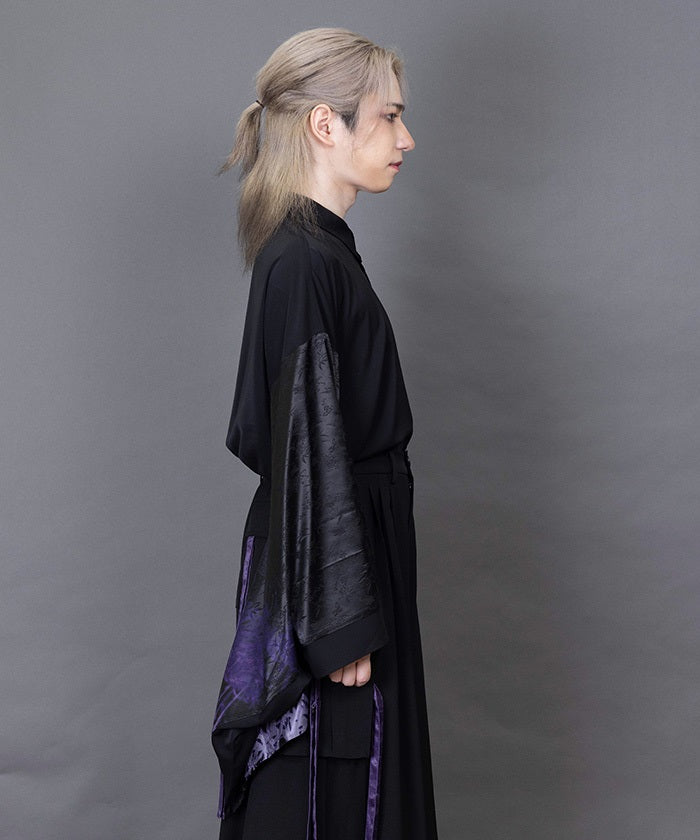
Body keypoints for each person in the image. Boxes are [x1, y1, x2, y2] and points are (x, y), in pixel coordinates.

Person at [211, 27, 438, 840]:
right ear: (324, 124)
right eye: (389, 116)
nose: (406, 139)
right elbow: (301, 438)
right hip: (332, 571)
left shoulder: (322, 254)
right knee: (332, 793)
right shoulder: (303, 261)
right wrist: (337, 619)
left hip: (350, 548)